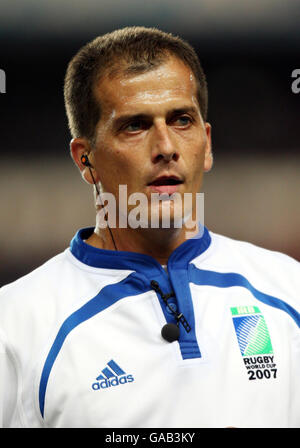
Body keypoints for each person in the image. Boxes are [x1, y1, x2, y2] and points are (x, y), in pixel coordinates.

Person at [0, 26, 300, 429]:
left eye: (181, 120)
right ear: (84, 158)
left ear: (207, 145)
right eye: (135, 126)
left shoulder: (288, 289)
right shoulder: (16, 325)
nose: (165, 147)